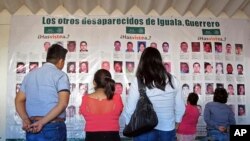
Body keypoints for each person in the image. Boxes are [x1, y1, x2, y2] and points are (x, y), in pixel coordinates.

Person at [123, 47, 185, 141]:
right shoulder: (173, 80)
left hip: (143, 128)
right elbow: (180, 106)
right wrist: (177, 122)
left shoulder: (139, 80)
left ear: (143, 61)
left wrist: (128, 123)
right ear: (159, 60)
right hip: (167, 128)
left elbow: (130, 107)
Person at [15, 44, 70, 140]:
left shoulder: (29, 76)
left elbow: (18, 100)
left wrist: (25, 119)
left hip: (32, 127)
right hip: (53, 128)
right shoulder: (60, 75)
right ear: (61, 61)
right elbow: (63, 104)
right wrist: (42, 122)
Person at [79, 69, 123, 141]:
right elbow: (119, 112)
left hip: (91, 137)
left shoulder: (85, 99)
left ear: (94, 82)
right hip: (112, 137)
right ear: (108, 81)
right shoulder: (117, 98)